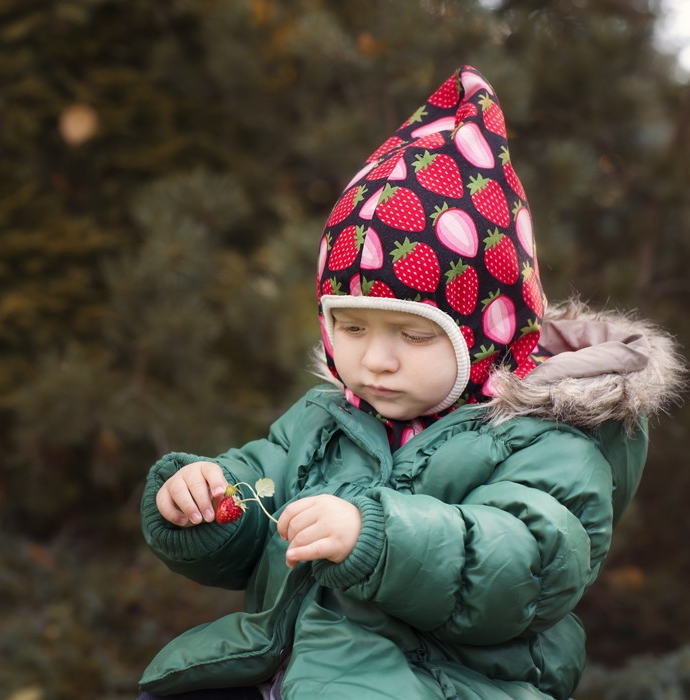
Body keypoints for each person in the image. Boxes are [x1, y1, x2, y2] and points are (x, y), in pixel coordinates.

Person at [136, 65, 684, 700]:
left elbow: (524, 564)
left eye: (415, 334)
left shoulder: (545, 442)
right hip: (282, 668)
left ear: (487, 334)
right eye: (352, 327)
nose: (376, 361)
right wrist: (205, 503)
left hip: (442, 685)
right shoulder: (321, 423)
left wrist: (374, 536)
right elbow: (258, 509)